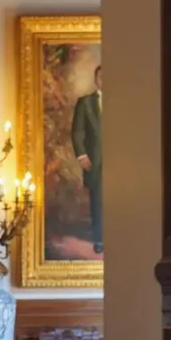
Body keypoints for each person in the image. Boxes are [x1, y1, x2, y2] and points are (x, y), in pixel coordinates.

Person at [71, 64, 103, 254]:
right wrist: (82, 155)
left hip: (121, 161)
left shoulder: (123, 100)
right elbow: (77, 131)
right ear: (95, 79)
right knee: (97, 200)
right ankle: (100, 239)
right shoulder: (85, 102)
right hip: (94, 160)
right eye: (100, 77)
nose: (104, 80)